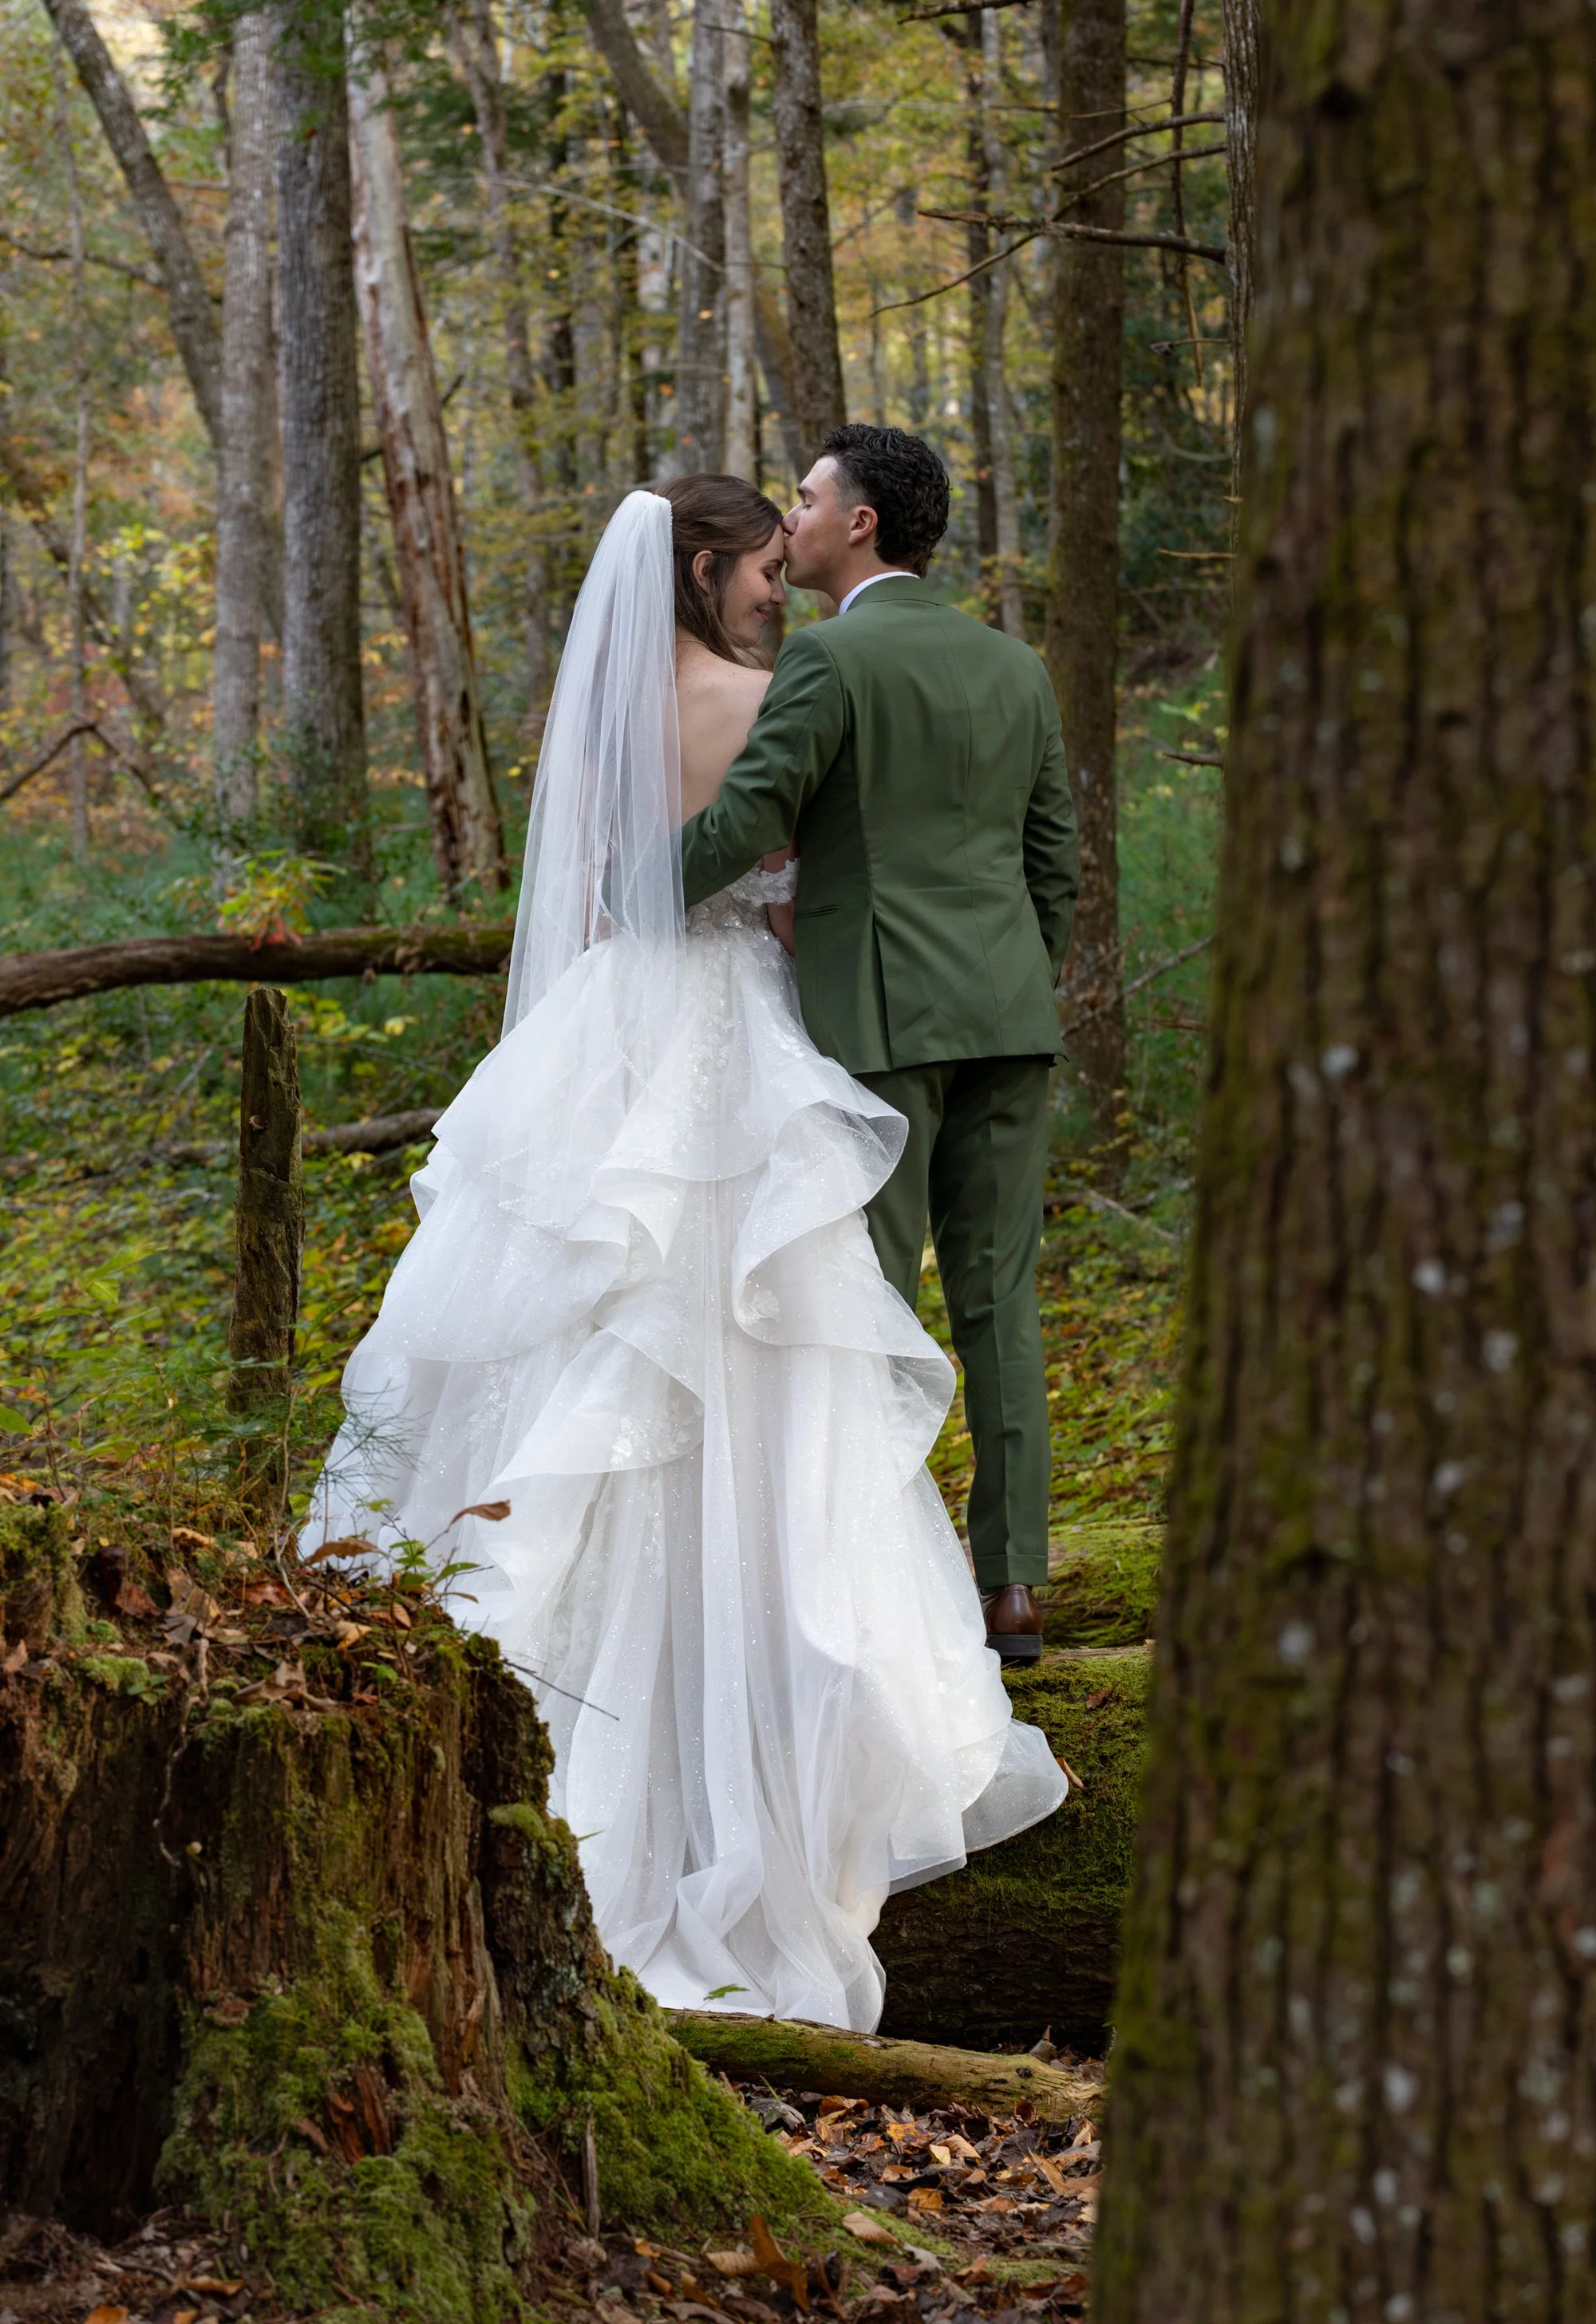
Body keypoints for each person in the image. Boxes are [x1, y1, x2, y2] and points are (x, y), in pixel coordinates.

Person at [311, 474, 1065, 2033]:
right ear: (705, 568)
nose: (777, 587)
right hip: (731, 1034)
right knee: (761, 1342)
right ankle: (797, 1697)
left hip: (609, 1034)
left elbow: (614, 888)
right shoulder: (771, 695)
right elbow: (779, 873)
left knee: (586, 1327)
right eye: (759, 567)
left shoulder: (600, 720)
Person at [681, 428, 1080, 1663]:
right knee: (999, 1298)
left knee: (869, 1304)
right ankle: (1013, 1586)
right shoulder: (1015, 666)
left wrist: (630, 886)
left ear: (859, 524)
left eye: (806, 499)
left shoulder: (829, 659)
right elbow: (1054, 861)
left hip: (881, 1019)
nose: (790, 520)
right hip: (1008, 1019)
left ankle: (876, 1584)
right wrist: (1015, 982)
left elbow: (752, 815)